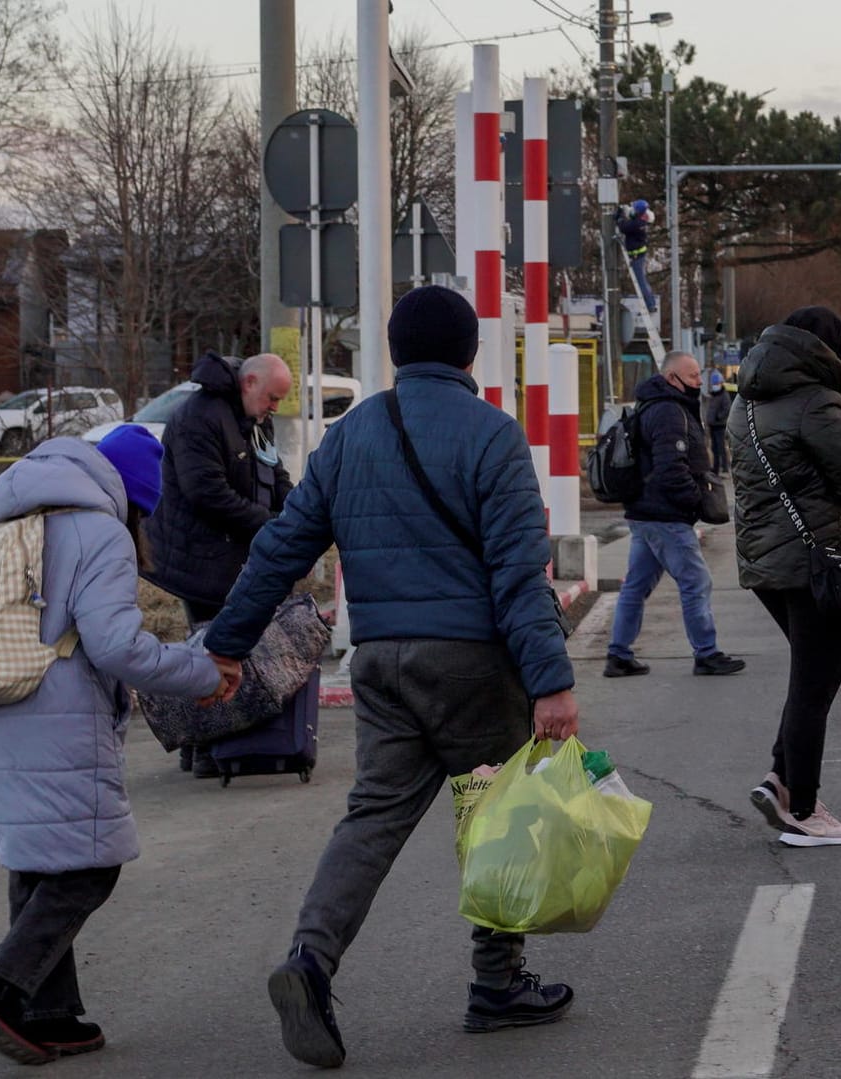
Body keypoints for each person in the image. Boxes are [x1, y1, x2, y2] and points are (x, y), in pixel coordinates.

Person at [200, 286, 581, 1068]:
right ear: (471, 353)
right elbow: (518, 573)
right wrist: (551, 679)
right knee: (498, 814)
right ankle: (497, 982)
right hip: (472, 661)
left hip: (377, 659)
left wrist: (228, 644)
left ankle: (310, 958)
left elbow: (281, 547)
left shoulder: (352, 435)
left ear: (396, 351)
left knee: (373, 817)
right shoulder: (493, 435)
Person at [0, 428, 236, 1065]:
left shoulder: (14, 520)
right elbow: (116, 647)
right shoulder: (98, 530)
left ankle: (50, 1015)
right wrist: (201, 674)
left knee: (39, 861)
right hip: (55, 715)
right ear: (135, 499)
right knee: (89, 865)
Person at [729, 306, 841, 846]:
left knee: (809, 677)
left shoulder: (744, 401)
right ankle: (806, 810)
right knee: (815, 684)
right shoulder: (818, 401)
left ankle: (780, 781)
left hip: (765, 562)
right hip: (816, 562)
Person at [145, 350, 294, 778]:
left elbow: (275, 475)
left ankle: (212, 747)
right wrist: (268, 525)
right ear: (248, 384)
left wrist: (298, 514)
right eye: (272, 398)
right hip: (199, 560)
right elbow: (205, 492)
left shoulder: (252, 419)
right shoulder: (198, 417)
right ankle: (206, 749)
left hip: (231, 553)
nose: (274, 408)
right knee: (210, 650)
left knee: (219, 648)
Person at [605, 350, 745, 678]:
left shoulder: (656, 405)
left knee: (636, 585)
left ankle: (618, 654)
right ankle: (707, 654)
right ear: (673, 379)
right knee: (695, 581)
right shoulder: (668, 411)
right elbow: (671, 468)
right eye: (693, 376)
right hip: (664, 515)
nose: (699, 381)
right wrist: (695, 501)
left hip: (645, 511)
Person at [615, 199, 656, 312]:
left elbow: (624, 227)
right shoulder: (640, 222)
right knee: (642, 281)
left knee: (641, 282)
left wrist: (619, 217)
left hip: (637, 256)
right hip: (638, 254)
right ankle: (651, 303)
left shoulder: (637, 224)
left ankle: (650, 305)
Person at [702, 368, 732, 475]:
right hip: (712, 425)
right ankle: (716, 468)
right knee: (714, 448)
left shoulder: (724, 395)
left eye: (716, 383)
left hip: (720, 425)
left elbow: (726, 409)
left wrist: (718, 417)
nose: (715, 385)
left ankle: (724, 467)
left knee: (721, 447)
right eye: (714, 383)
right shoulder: (712, 395)